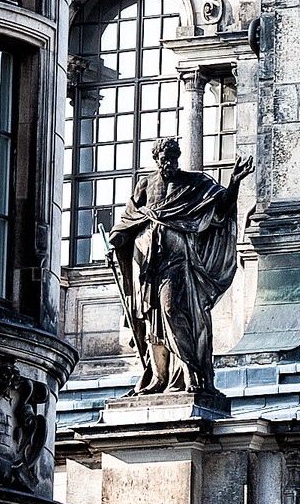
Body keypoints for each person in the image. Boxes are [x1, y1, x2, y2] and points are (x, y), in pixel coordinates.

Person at [108, 138, 254, 395]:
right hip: (147, 264)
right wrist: (117, 239)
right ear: (157, 160)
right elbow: (128, 219)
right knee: (151, 319)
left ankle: (191, 371)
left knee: (172, 309)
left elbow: (220, 206)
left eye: (173, 159)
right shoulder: (145, 184)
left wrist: (234, 183)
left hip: (179, 262)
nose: (169, 165)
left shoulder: (193, 182)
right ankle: (158, 376)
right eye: (164, 160)